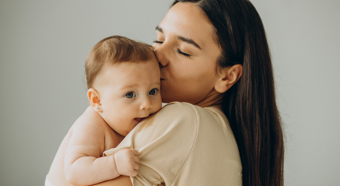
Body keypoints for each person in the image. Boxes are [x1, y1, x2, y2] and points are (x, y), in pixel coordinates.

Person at [96, 0, 284, 185]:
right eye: (159, 40)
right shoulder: (220, 132)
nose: (157, 55)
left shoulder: (187, 121)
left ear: (227, 77)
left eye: (183, 51)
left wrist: (97, 112)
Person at [46, 36, 162, 186]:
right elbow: (74, 173)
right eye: (130, 95)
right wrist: (114, 164)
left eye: (153, 91)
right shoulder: (92, 125)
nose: (146, 104)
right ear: (97, 101)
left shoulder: (137, 121)